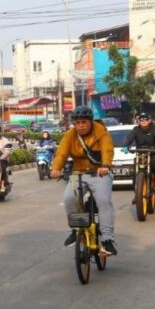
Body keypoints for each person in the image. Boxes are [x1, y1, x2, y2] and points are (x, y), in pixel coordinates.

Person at [50, 106, 117, 256]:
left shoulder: (101, 131)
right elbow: (61, 153)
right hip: (78, 173)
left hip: (99, 173)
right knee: (69, 199)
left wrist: (105, 165)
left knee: (104, 201)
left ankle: (107, 240)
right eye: (78, 122)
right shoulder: (70, 135)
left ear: (90, 122)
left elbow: (108, 149)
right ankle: (75, 230)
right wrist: (56, 168)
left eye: (84, 122)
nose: (81, 125)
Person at [122, 112, 155, 187]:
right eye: (141, 120)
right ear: (138, 121)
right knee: (135, 164)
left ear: (149, 120)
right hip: (140, 153)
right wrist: (125, 146)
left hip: (152, 153)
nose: (143, 121)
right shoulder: (135, 130)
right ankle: (136, 186)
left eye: (146, 119)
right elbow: (129, 138)